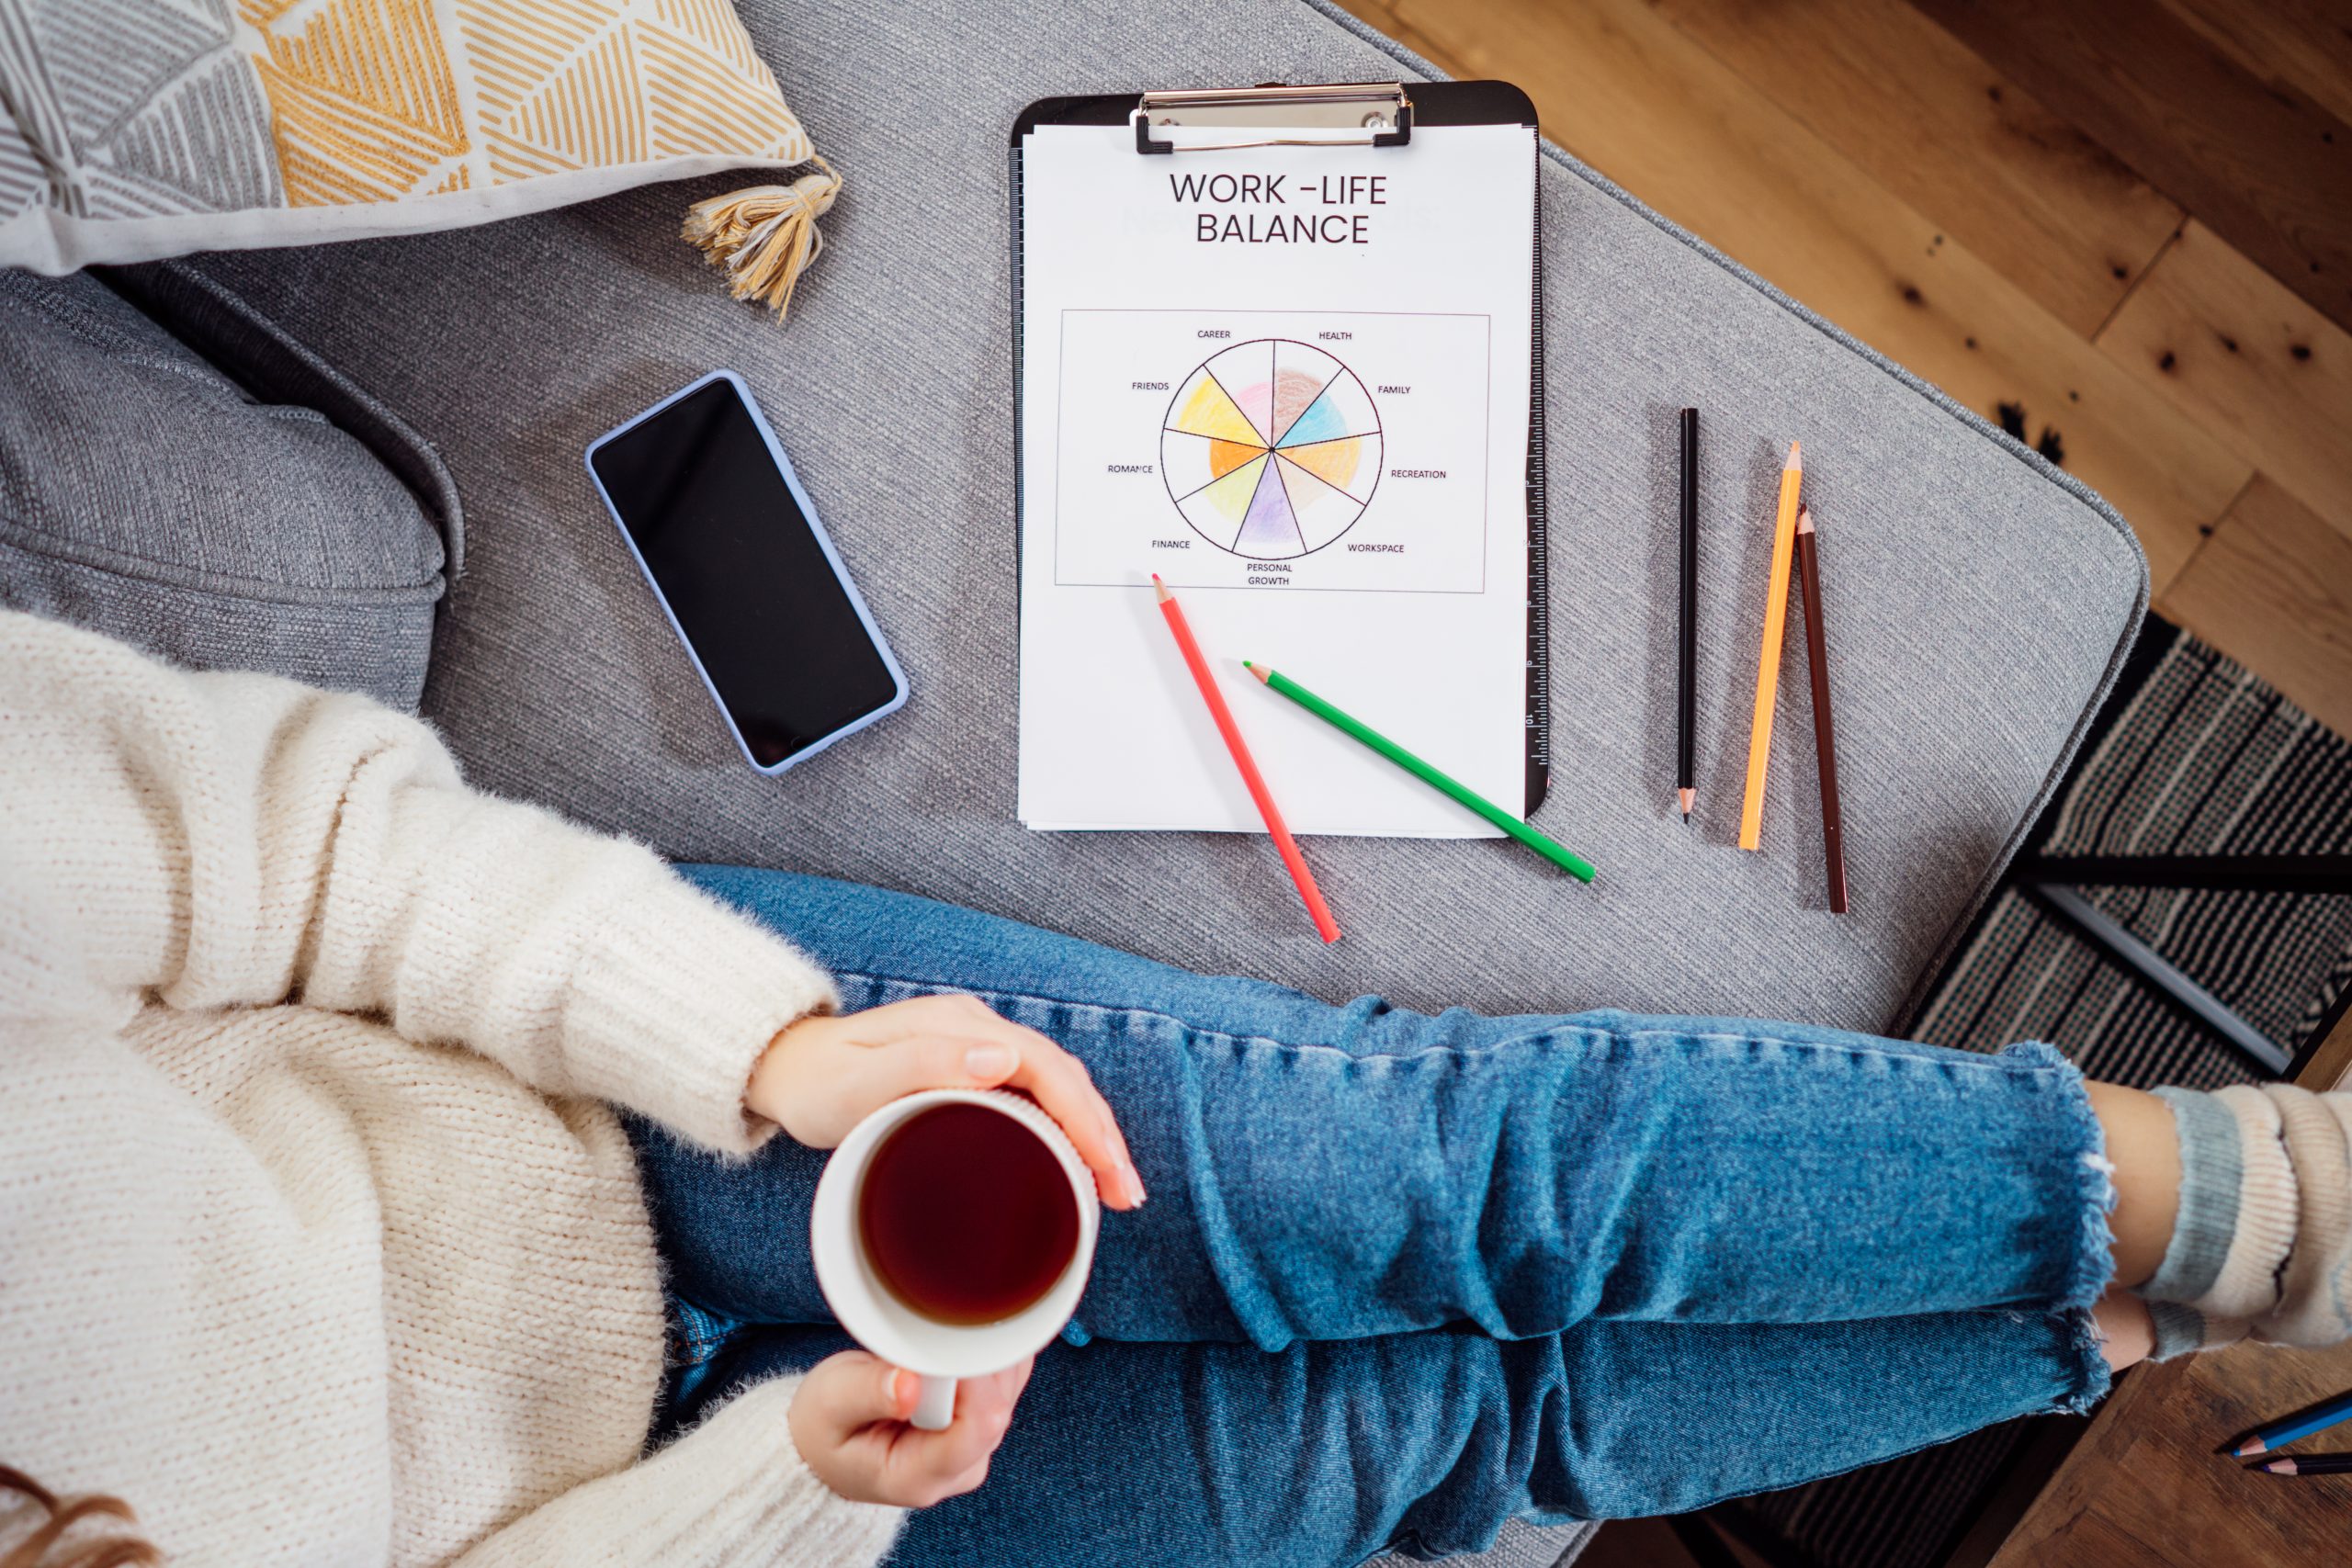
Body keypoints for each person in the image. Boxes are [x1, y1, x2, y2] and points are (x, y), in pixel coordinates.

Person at [1, 606, 2344, 1568]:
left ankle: (2266, 1196)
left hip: (635, 1110)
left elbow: (304, 840)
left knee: (1436, 1178)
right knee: (1458, 1446)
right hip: (715, 1527)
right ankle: (2136, 1320)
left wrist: (771, 1047)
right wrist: (765, 1504)